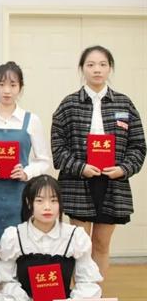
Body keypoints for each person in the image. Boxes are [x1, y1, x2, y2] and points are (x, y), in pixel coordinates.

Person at [51, 45, 145, 278]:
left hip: (113, 183)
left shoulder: (124, 104)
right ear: (82, 69)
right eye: (91, 64)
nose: (97, 70)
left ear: (110, 68)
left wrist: (123, 169)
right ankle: (80, 291)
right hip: (77, 182)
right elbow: (58, 148)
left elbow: (138, 146)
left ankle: (96, 292)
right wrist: (80, 167)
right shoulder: (69, 104)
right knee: (80, 245)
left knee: (102, 244)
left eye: (103, 64)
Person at [0, 61, 51, 242]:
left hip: (20, 193)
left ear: (20, 88)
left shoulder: (31, 120)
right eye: (1, 84)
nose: (6, 90)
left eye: (13, 85)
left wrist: (26, 172)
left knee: (20, 243)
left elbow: (44, 160)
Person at [0, 175, 102, 300]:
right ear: (29, 202)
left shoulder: (75, 236)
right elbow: (6, 281)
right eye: (40, 200)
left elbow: (87, 282)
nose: (47, 207)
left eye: (53, 200)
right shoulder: (14, 236)